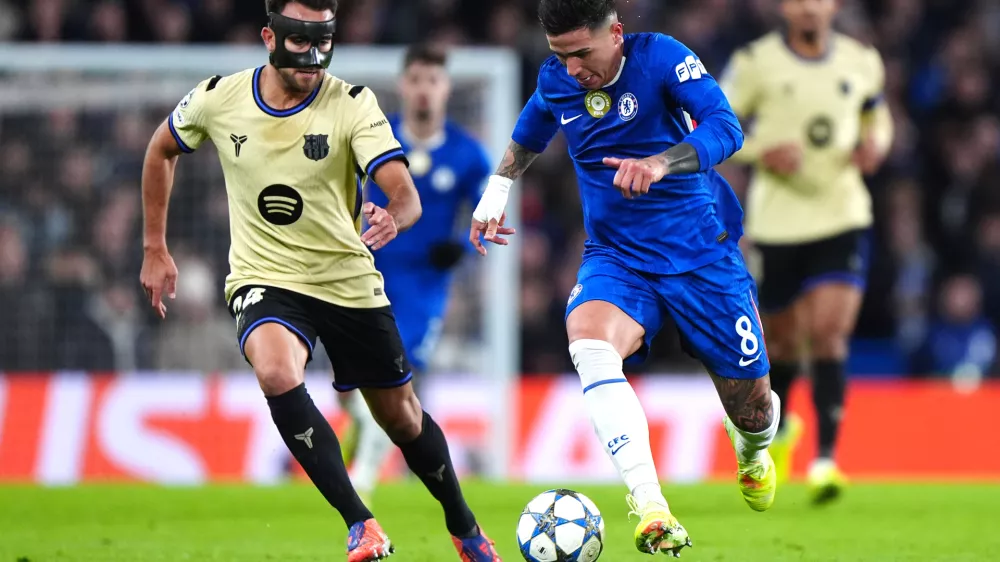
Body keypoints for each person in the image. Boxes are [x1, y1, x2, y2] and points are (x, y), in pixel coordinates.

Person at [138, 2, 501, 560]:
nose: (312, 57)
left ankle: (464, 526)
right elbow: (161, 148)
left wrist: (392, 216)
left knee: (402, 418)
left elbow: (404, 194)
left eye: (323, 43)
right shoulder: (218, 97)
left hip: (346, 279)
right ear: (269, 37)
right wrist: (154, 246)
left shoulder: (353, 104)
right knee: (277, 370)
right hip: (266, 276)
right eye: (300, 42)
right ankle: (362, 522)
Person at [470, 0, 780, 555]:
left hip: (701, 256)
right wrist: (497, 192)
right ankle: (651, 506)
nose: (572, 70)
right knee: (588, 343)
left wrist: (662, 162)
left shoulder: (662, 58)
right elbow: (531, 130)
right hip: (617, 257)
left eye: (582, 54)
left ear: (615, 33)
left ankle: (752, 448)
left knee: (754, 408)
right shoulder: (558, 79)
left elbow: (726, 128)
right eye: (560, 56)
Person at [720, 0, 892, 504]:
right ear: (784, 8)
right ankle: (782, 425)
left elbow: (877, 117)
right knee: (785, 342)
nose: (810, 9)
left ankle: (826, 459)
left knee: (829, 333)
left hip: (843, 215)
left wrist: (875, 145)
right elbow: (715, 123)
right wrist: (760, 152)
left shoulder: (862, 60)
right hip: (777, 224)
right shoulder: (755, 63)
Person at [338, 43, 492, 505]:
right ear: (404, 85)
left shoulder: (468, 154)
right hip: (365, 270)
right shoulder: (377, 140)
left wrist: (464, 241)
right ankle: (363, 429)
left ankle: (364, 478)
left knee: (399, 370)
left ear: (445, 88)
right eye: (417, 80)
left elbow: (488, 209)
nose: (425, 90)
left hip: (425, 283)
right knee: (351, 384)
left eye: (434, 81)